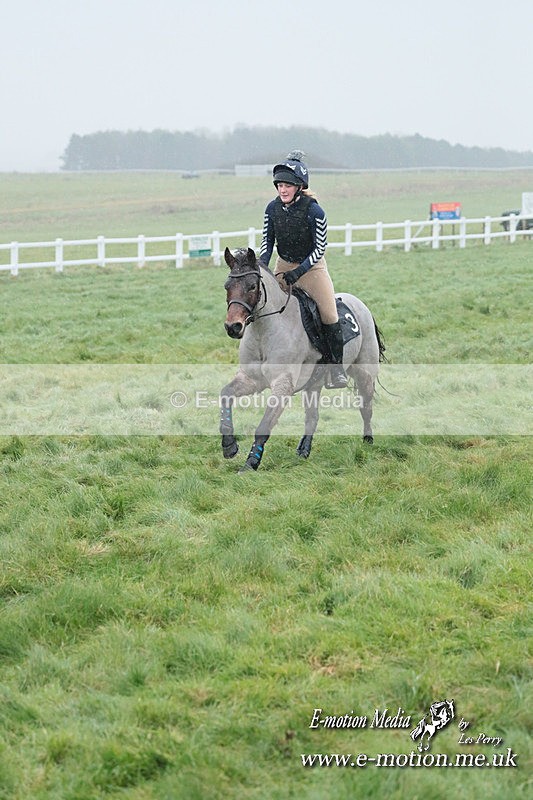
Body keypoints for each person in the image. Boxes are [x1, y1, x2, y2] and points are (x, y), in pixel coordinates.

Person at [259, 150, 348, 388]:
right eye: (279, 185)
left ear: (299, 186)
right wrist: (261, 267)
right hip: (283, 264)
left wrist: (298, 273)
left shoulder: (314, 211)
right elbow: (267, 243)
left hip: (312, 268)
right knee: (264, 306)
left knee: (329, 314)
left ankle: (335, 368)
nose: (283, 190)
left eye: (288, 185)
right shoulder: (272, 209)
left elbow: (320, 248)